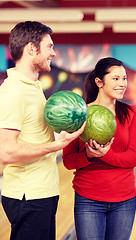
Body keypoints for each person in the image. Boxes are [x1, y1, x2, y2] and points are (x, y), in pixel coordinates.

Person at [0, 21, 85, 240]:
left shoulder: (33, 86)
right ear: (31, 48)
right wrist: (56, 145)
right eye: (49, 46)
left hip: (42, 193)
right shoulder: (13, 91)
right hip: (28, 196)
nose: (54, 53)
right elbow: (6, 152)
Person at [62, 57, 136, 240]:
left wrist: (105, 155)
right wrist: (88, 156)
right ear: (99, 82)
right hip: (88, 199)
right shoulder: (78, 115)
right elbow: (68, 161)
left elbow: (132, 158)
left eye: (124, 78)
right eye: (115, 79)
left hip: (124, 200)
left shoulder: (132, 114)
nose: (122, 84)